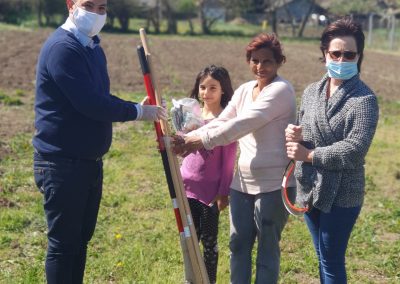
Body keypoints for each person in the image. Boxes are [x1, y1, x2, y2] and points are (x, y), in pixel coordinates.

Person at [32, 0, 166, 283]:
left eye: (102, 8)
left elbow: (101, 98)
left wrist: (133, 105)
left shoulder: (92, 48)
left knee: (80, 242)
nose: (95, 13)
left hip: (88, 163)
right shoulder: (63, 49)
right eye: (88, 5)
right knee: (63, 245)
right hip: (62, 164)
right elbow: (90, 104)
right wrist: (138, 112)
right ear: (70, 5)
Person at [173, 33, 296, 284]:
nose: (260, 67)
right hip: (242, 183)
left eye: (267, 61)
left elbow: (242, 124)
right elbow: (221, 122)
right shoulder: (243, 91)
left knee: (266, 248)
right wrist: (186, 138)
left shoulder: (281, 90)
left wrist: (198, 141)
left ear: (279, 62)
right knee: (238, 244)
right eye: (255, 60)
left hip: (273, 183)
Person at [285, 18, 379, 284]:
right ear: (324, 53)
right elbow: (308, 129)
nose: (341, 59)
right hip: (311, 187)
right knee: (321, 256)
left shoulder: (364, 99)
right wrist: (297, 135)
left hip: (342, 192)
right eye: (335, 53)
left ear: (359, 56)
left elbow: (354, 149)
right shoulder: (313, 91)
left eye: (349, 54)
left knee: (331, 259)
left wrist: (310, 155)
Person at [179, 65, 237, 284]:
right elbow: (180, 144)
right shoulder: (190, 115)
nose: (206, 92)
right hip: (186, 189)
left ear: (223, 90)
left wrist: (223, 192)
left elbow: (229, 161)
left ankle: (208, 280)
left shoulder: (226, 121)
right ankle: (191, 278)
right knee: (188, 238)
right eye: (202, 87)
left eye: (213, 87)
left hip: (209, 193)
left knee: (209, 242)